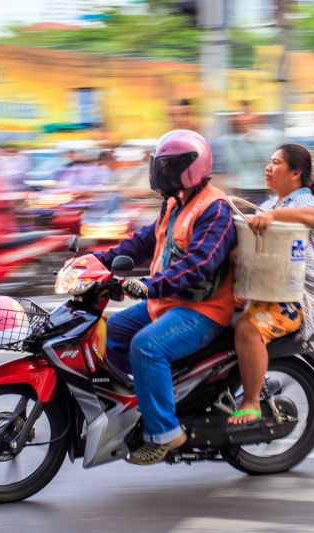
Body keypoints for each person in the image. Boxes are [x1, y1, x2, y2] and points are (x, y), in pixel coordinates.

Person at [94, 130, 237, 464]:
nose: (159, 173)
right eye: (159, 165)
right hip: (169, 303)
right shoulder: (174, 203)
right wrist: (94, 262)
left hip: (203, 310)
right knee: (108, 333)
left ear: (189, 168)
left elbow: (199, 263)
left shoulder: (215, 209)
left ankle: (164, 433)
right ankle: (154, 395)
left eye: (166, 166)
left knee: (146, 347)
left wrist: (150, 285)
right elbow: (143, 242)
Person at [228, 143, 314, 424]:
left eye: (276, 163)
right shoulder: (265, 205)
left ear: (296, 173)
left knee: (247, 329)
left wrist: (273, 216)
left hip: (298, 296)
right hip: (266, 290)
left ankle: (251, 403)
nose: (268, 167)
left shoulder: (306, 202)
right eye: (269, 161)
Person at [221, 101, 284, 206]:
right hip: (242, 191)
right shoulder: (231, 140)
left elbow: (273, 164)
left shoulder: (272, 137)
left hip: (264, 190)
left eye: (246, 113)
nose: (243, 118)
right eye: (239, 114)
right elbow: (233, 169)